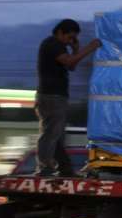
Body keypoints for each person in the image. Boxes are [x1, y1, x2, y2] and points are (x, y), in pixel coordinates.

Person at [35, 19, 101, 176]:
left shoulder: (60, 46)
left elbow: (71, 66)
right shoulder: (52, 44)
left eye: (74, 38)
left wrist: (76, 49)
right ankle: (45, 167)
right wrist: (90, 48)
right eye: (70, 37)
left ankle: (64, 169)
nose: (71, 41)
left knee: (57, 135)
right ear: (60, 32)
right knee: (51, 133)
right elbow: (69, 61)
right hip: (51, 96)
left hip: (56, 95)